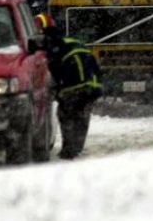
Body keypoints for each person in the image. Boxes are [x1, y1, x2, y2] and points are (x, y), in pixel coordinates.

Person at [35, 12, 102, 159]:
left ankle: (69, 150)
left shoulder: (52, 47)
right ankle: (76, 148)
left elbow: (52, 70)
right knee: (82, 116)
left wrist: (55, 88)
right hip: (93, 83)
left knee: (66, 115)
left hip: (73, 85)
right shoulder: (70, 41)